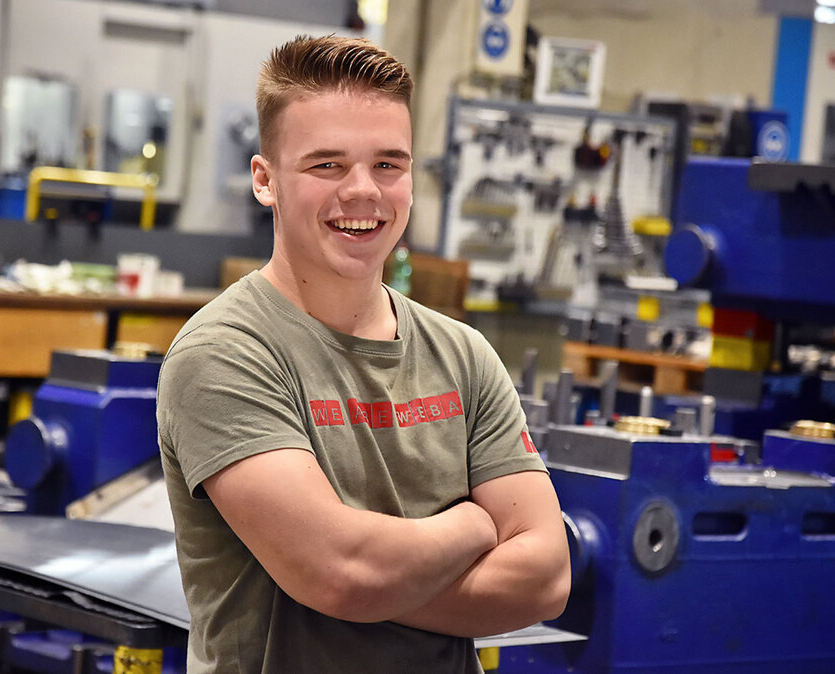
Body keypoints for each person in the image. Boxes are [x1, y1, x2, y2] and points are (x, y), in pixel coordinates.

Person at [157, 34, 571, 673]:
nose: (363, 192)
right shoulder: (223, 355)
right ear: (266, 181)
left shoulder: (463, 355)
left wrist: (373, 579)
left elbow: (545, 578)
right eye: (326, 165)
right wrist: (473, 529)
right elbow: (343, 575)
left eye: (388, 164)